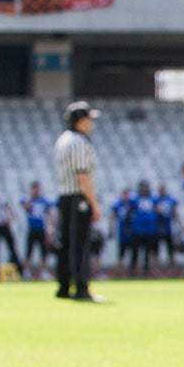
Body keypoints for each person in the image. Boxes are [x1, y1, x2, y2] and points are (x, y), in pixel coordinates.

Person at [53, 101, 103, 301]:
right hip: (77, 198)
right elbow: (82, 176)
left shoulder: (62, 140)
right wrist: (94, 204)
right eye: (89, 119)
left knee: (65, 243)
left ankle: (64, 286)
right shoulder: (79, 142)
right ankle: (81, 288)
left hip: (64, 196)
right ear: (81, 121)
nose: (91, 123)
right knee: (80, 244)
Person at [23, 182, 54, 280]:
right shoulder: (29, 200)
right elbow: (25, 207)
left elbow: (48, 214)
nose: (35, 191)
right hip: (32, 229)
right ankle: (26, 271)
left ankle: (44, 271)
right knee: (29, 251)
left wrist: (51, 227)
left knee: (44, 252)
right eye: (34, 189)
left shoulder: (44, 200)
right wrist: (31, 199)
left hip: (42, 229)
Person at [129, 181, 160, 276]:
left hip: (151, 229)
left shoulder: (153, 197)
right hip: (137, 229)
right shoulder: (135, 198)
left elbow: (158, 211)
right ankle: (133, 270)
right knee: (135, 251)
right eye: (142, 187)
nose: (144, 189)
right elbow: (129, 212)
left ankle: (146, 270)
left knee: (148, 251)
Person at [154, 185, 178, 268]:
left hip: (168, 228)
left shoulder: (170, 199)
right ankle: (155, 268)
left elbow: (174, 213)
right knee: (156, 250)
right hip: (157, 229)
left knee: (170, 250)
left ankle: (173, 267)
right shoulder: (155, 199)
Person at [111, 188, 135, 273]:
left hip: (133, 232)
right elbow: (113, 216)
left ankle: (134, 272)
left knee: (134, 254)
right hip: (122, 233)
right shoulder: (119, 204)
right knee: (121, 254)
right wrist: (112, 228)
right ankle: (119, 273)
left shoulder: (133, 204)